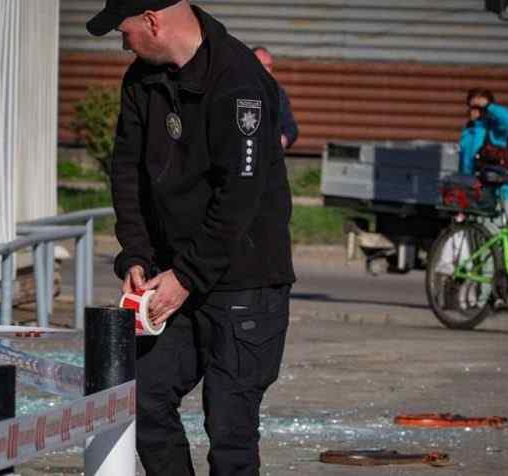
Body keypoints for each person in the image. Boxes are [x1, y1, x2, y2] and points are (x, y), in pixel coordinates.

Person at [86, 1, 295, 475]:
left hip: (244, 285)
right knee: (143, 399)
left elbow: (238, 198)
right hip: (173, 278)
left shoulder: (239, 80)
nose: (123, 42)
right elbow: (127, 172)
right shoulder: (143, 78)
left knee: (229, 431)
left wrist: (187, 275)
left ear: (153, 21)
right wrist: (136, 254)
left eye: (125, 31)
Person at [459, 87, 508, 214]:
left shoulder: (496, 130)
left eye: (479, 108)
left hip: (496, 195)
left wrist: (488, 106)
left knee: (492, 233)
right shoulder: (468, 130)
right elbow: (464, 165)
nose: (474, 111)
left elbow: (507, 118)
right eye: (472, 107)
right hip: (472, 192)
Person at [252, 46, 298, 150]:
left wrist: (284, 139)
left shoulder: (278, 93)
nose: (267, 70)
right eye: (262, 65)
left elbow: (291, 128)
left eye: (269, 66)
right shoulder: (237, 92)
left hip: (270, 156)